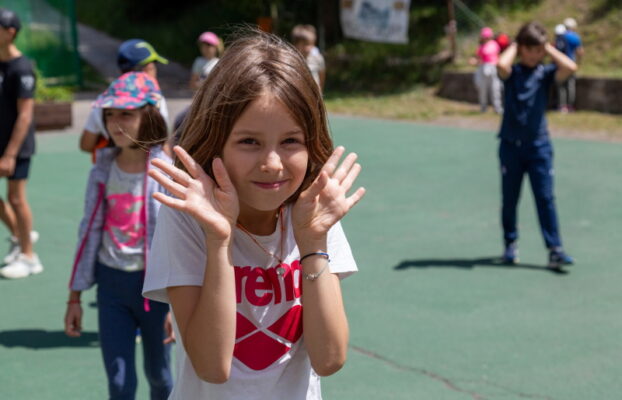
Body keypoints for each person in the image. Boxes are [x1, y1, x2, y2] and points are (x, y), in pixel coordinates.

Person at [142, 30, 366, 399]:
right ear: (217, 140)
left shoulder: (313, 211)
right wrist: (220, 240)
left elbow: (329, 358)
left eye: (291, 141)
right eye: (249, 142)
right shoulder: (188, 217)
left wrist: (313, 242)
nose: (272, 163)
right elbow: (213, 367)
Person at [64, 72, 174, 399]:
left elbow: (181, 242)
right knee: (119, 383)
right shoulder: (102, 169)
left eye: (126, 113)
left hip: (156, 289)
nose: (114, 122)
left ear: (150, 116)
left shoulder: (166, 171)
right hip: (111, 287)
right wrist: (75, 296)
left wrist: (177, 306)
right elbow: (88, 231)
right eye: (109, 114)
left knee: (161, 376)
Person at [496, 21, 576, 269]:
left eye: (537, 50)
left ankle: (555, 249)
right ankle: (510, 244)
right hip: (510, 146)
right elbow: (501, 65)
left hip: (539, 146)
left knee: (545, 197)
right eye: (528, 49)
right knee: (510, 199)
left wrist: (548, 47)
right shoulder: (513, 74)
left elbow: (570, 67)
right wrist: (514, 46)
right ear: (521, 49)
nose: (533, 55)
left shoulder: (545, 74)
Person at [0, 8, 43, 279]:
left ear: (10, 32)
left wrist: (9, 154)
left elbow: (25, 114)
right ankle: (20, 237)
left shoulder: (22, 68)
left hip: (16, 147)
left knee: (16, 198)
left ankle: (29, 257)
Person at [79, 39, 170, 157]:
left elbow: (86, 145)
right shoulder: (156, 100)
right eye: (110, 114)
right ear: (147, 69)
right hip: (152, 169)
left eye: (126, 114)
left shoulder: (105, 101)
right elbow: (163, 143)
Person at [470, 27, 503, 114]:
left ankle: (497, 108)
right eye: (485, 36)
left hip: (493, 68)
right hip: (483, 68)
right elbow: (478, 59)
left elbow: (498, 56)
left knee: (495, 89)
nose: (486, 38)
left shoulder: (495, 44)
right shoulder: (480, 47)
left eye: (487, 36)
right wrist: (474, 62)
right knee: (482, 89)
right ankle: (483, 108)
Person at [558, 17, 583, 113]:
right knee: (570, 85)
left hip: (561, 63)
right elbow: (580, 51)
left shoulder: (561, 36)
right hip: (572, 63)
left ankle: (562, 106)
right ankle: (570, 106)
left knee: (561, 85)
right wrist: (578, 62)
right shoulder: (576, 37)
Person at [291, 24, 326, 93]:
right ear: (295, 44)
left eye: (312, 44)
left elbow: (322, 75)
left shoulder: (317, 58)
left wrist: (320, 90)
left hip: (314, 94)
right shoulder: (291, 60)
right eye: (306, 44)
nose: (309, 48)